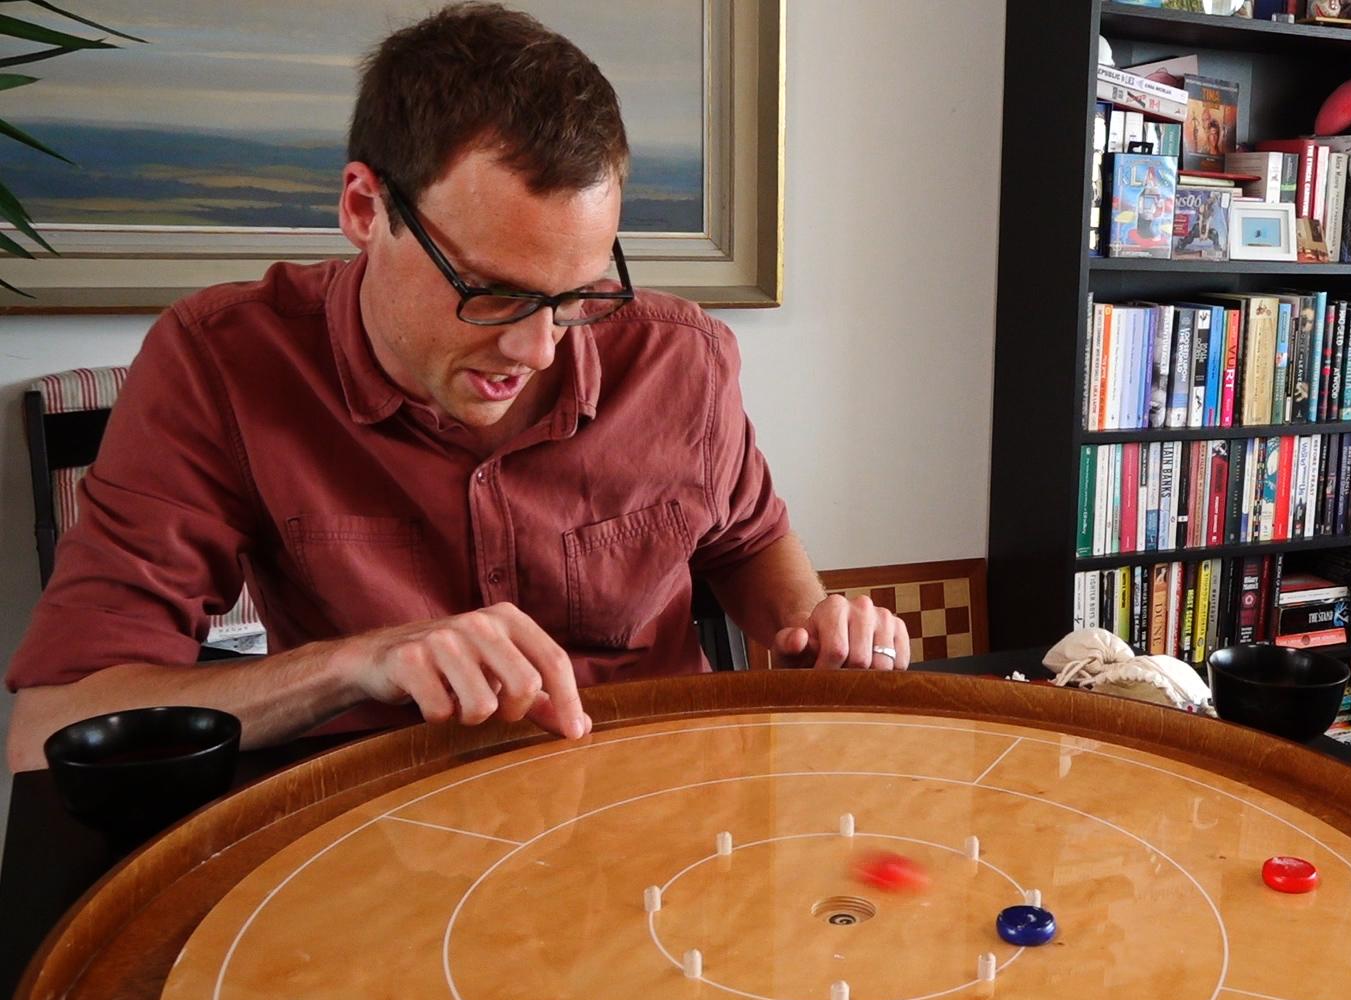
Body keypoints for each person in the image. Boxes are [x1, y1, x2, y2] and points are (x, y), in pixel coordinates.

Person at [3, 3, 908, 772]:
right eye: (491, 292)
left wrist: (810, 628)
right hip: (385, 827)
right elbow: (51, 729)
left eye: (576, 295)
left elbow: (745, 543)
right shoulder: (221, 364)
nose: (538, 350)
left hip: (658, 809)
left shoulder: (680, 359)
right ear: (365, 209)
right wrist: (356, 665)